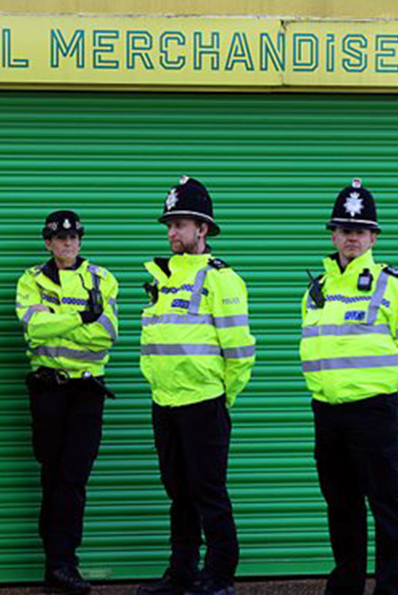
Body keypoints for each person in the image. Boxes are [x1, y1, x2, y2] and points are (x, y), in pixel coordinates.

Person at [300, 179, 398, 595]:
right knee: (341, 507)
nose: (351, 238)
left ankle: (390, 589)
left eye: (360, 230)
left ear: (373, 237)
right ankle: (346, 586)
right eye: (344, 230)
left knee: (386, 507)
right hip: (327, 412)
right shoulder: (317, 291)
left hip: (374, 412)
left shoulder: (396, 286)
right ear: (333, 236)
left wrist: (384, 392)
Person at [137, 177, 255, 595]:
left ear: (202, 229)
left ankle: (220, 576)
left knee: (209, 493)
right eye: (169, 224)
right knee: (179, 494)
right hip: (165, 402)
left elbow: (239, 351)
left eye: (180, 224)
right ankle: (181, 572)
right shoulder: (165, 277)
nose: (172, 232)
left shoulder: (221, 279)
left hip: (204, 402)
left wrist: (223, 396)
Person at [15, 210, 119, 595]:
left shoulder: (101, 278)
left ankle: (65, 562)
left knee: (73, 477)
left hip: (87, 391)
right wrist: (81, 316)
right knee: (52, 476)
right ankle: (55, 565)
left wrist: (57, 319)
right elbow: (33, 329)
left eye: (74, 237)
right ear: (48, 243)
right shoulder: (31, 279)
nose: (68, 243)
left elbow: (106, 334)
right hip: (48, 389)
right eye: (60, 238)